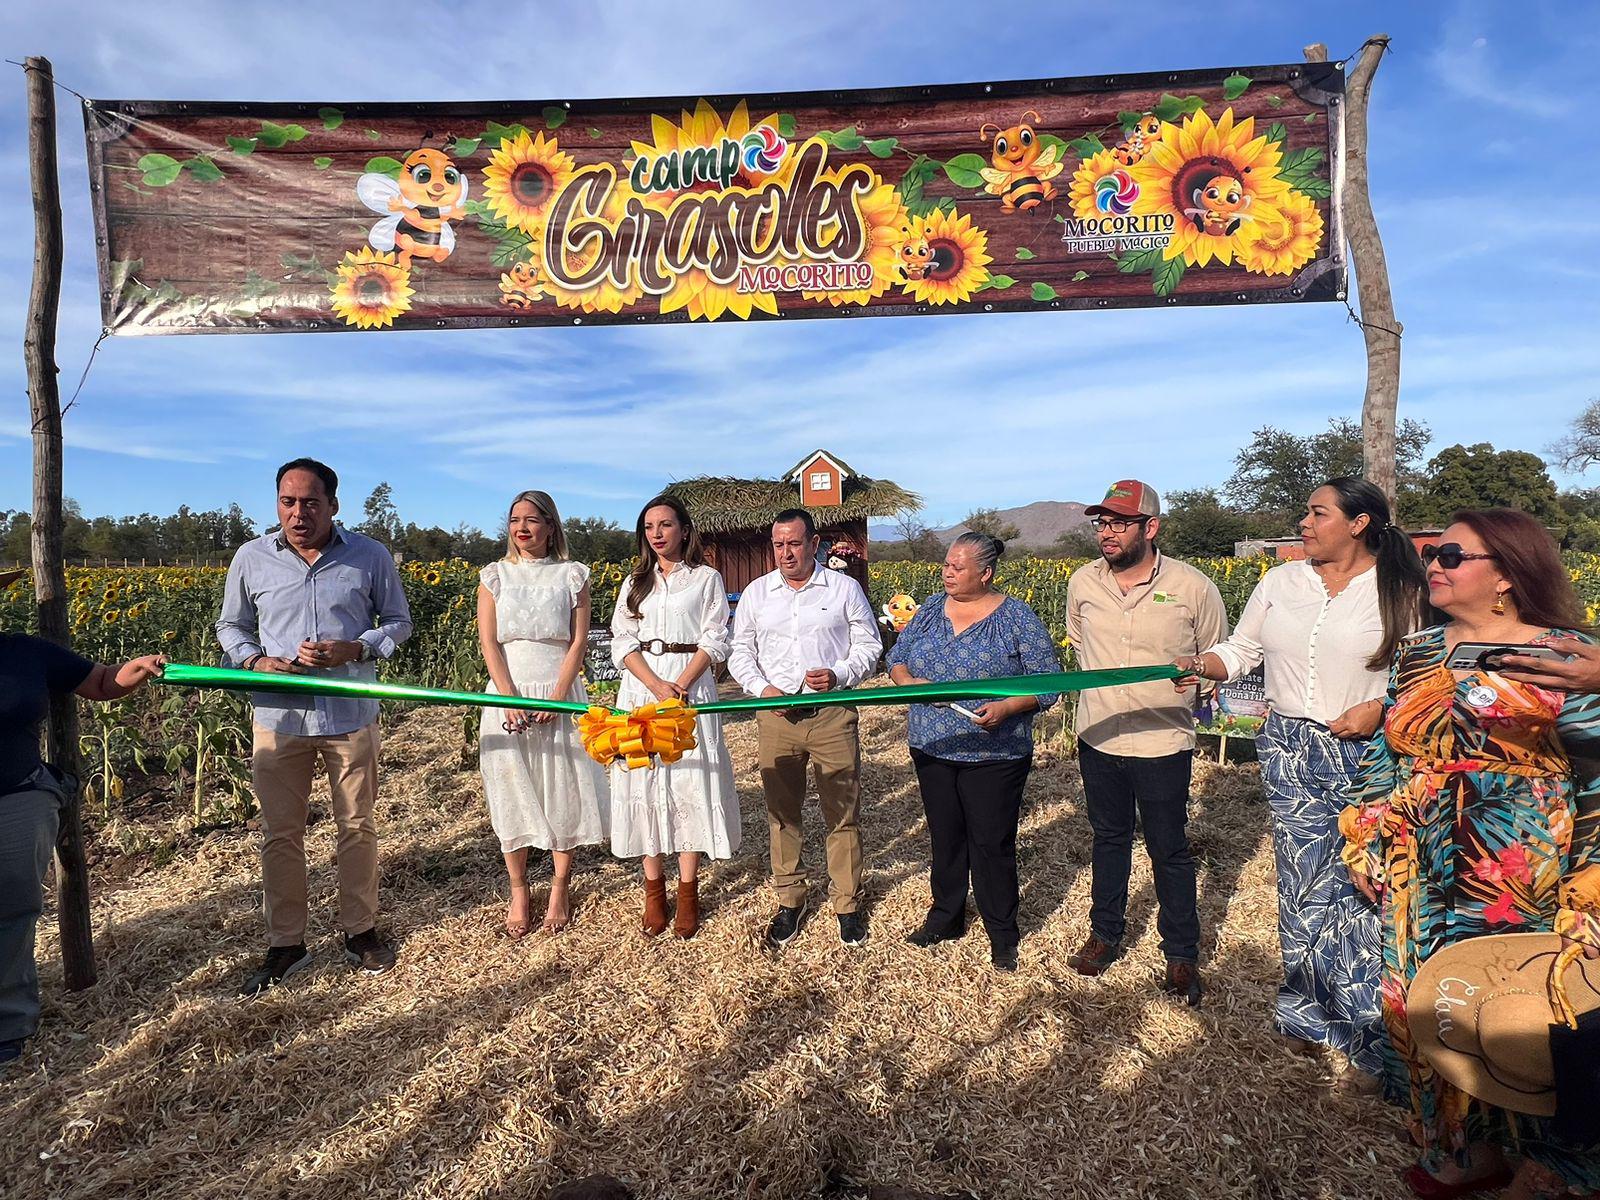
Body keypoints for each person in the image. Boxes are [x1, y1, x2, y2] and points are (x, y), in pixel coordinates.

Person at [1340, 509, 1600, 1199]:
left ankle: (1551, 1166)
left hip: (1515, 857)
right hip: (1414, 851)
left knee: (1519, 1006)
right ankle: (1464, 1147)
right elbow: (1388, 751)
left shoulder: (1567, 655)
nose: (1434, 564)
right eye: (1433, 552)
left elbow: (1596, 769)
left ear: (1508, 574)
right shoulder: (1419, 650)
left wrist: (1593, 871)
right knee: (1426, 1000)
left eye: (1454, 554)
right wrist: (1363, 831)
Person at [1175, 478, 1425, 1085]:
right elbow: (1242, 650)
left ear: (1359, 523)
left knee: (1365, 887)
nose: (1305, 523)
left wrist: (1381, 709)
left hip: (1368, 753)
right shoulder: (1280, 581)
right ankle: (1306, 1015)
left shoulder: (1400, 589)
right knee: (1303, 882)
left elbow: (1420, 675)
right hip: (1289, 746)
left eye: (1317, 513)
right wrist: (1200, 664)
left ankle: (1370, 1036)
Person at [216, 459, 413, 997]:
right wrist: (254, 661)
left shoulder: (369, 555)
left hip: (350, 714)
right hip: (279, 717)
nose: (297, 513)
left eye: (309, 502)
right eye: (287, 501)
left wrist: (357, 648)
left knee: (356, 826)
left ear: (333, 505)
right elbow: (229, 625)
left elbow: (399, 622)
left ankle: (360, 931)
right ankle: (286, 944)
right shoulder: (251, 558)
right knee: (281, 833)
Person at [1065, 480, 1227, 1005]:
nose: (1106, 534)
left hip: (1162, 740)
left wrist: (1198, 681)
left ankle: (1180, 954)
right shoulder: (1082, 583)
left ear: (1150, 527)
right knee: (1108, 839)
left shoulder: (1193, 586)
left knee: (1169, 848)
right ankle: (1106, 935)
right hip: (1100, 734)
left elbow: (1216, 657)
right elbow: (1078, 641)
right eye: (1101, 524)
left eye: (1118, 523)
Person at [1, 567, 166, 1066]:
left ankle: (9, 1023)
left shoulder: (23, 651)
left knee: (12, 910)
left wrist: (137, 668)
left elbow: (97, 681)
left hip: (16, 798)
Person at [887, 532, 1060, 972]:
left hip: (995, 754)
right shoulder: (927, 610)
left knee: (990, 842)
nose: (947, 572)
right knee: (945, 837)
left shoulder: (1016, 618)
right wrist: (908, 683)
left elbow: (1049, 683)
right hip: (933, 744)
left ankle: (1002, 932)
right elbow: (897, 659)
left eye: (958, 567)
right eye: (946, 564)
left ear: (985, 574)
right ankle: (945, 918)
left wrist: (1008, 706)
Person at [729, 508, 882, 949]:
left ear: (814, 544)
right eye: (778, 545)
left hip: (833, 713)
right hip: (778, 718)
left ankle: (847, 904)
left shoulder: (844, 589)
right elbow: (741, 651)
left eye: (794, 543)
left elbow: (870, 644)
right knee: (781, 812)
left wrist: (838, 674)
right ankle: (790, 899)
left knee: (842, 812)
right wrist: (763, 688)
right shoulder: (758, 594)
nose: (785, 553)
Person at [476, 490, 608, 939]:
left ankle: (558, 886)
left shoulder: (573, 576)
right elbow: (490, 642)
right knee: (512, 789)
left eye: (533, 519)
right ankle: (517, 889)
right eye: (515, 519)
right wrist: (510, 697)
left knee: (563, 787)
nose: (522, 528)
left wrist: (557, 696)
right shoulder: (494, 576)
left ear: (551, 526)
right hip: (507, 692)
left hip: (559, 690)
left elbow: (578, 641)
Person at [609, 495, 740, 939]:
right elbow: (621, 640)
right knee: (645, 781)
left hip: (689, 686)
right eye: (649, 527)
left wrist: (679, 685)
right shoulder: (634, 582)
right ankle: (653, 890)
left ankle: (687, 890)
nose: (658, 533)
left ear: (684, 530)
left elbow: (717, 636)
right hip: (642, 690)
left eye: (665, 525)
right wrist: (654, 685)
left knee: (686, 779)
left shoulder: (706, 579)